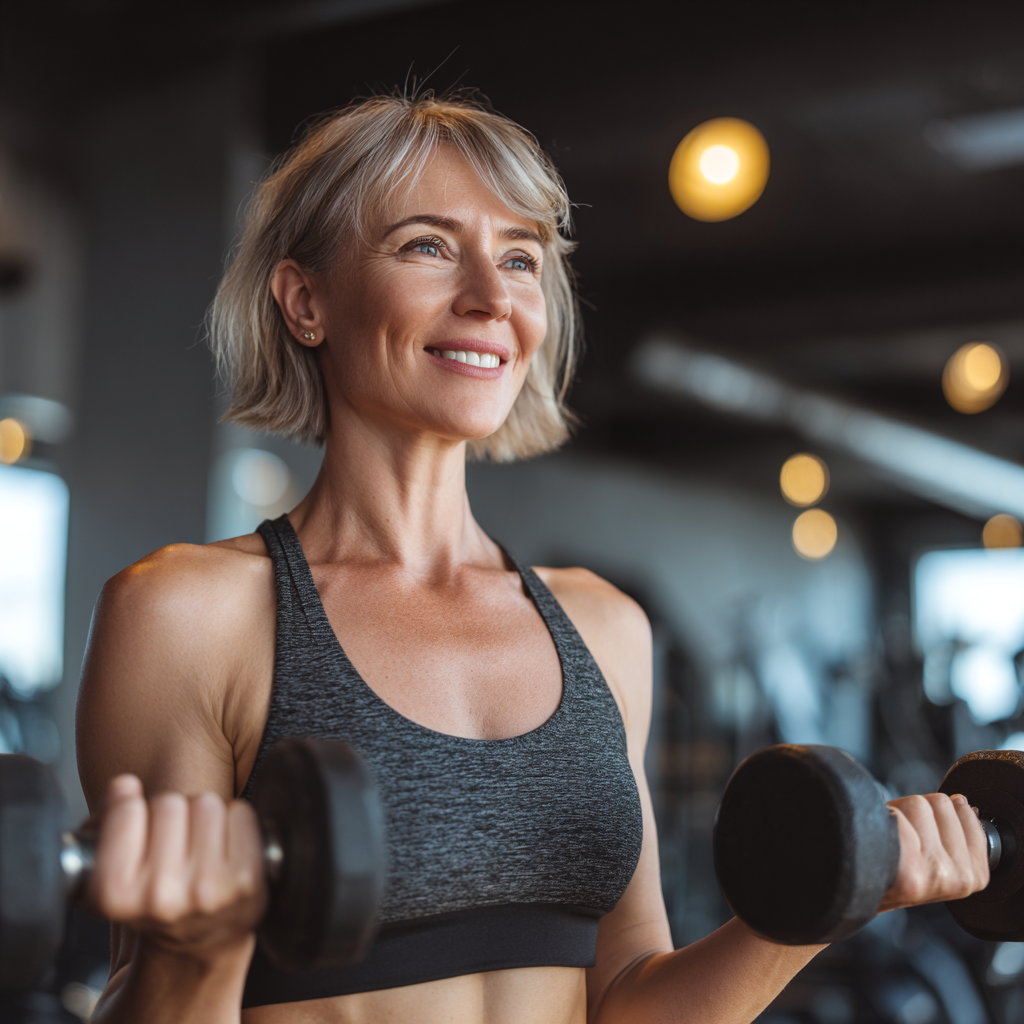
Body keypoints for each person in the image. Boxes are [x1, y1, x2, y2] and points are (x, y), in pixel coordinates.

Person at [75, 93, 991, 1024]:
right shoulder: (193, 614)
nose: (492, 297)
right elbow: (137, 991)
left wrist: (823, 904)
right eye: (427, 246)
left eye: (520, 259)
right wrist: (196, 955)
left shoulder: (602, 625)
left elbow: (631, 999)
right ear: (305, 300)